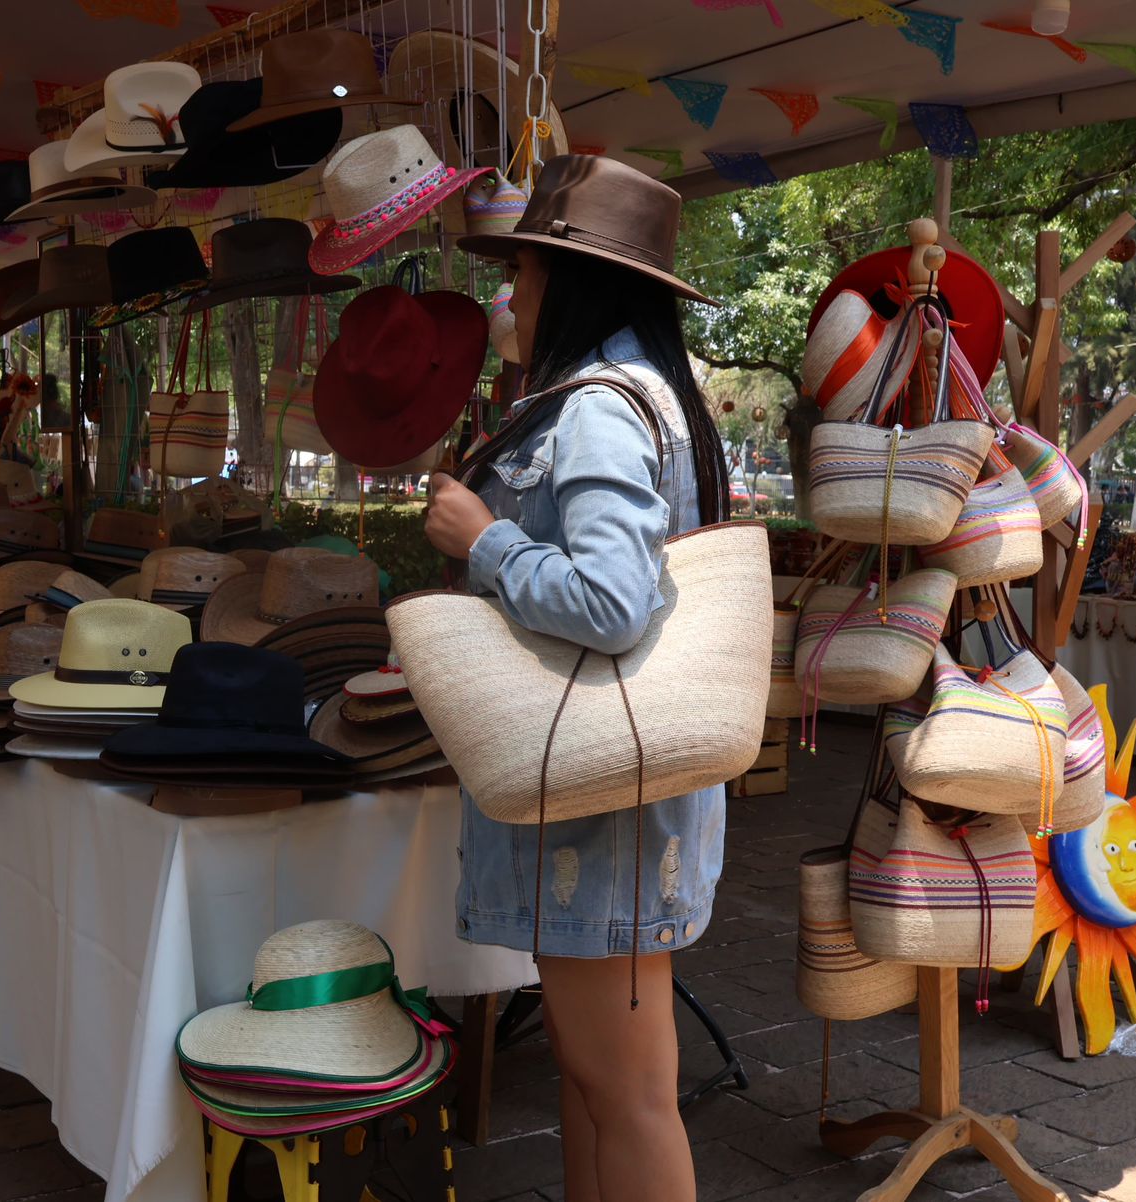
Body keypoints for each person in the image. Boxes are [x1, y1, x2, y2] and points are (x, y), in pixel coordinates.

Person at [426, 157, 730, 1202]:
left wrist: (485, 540)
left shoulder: (598, 407)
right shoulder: (636, 391)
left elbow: (612, 601)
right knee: (599, 1080)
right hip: (612, 806)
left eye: (522, 267)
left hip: (603, 814)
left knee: (629, 1090)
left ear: (576, 280)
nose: (506, 294)